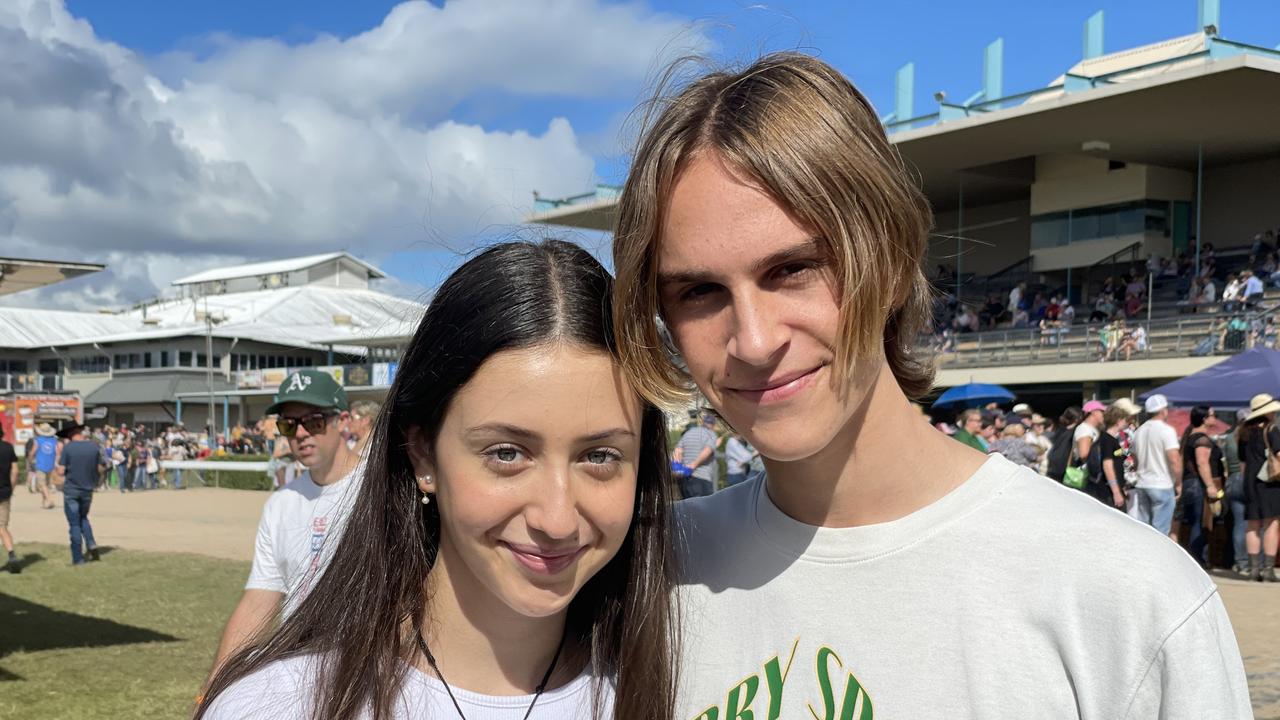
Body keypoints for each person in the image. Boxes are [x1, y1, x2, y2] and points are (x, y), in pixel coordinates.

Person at [611, 52, 1249, 717]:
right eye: (699, 291)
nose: (754, 339)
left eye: (794, 269)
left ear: (890, 262)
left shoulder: (1127, 594)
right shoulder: (648, 575)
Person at [198, 241, 677, 720]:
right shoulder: (277, 705)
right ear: (423, 453)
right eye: (507, 453)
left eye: (599, 456)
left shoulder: (681, 692)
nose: (556, 519)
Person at [210, 369, 362, 675]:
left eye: (314, 421)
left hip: (368, 671)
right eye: (288, 425)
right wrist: (213, 686)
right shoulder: (280, 504)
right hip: (299, 672)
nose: (301, 433)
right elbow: (258, 602)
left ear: (342, 422)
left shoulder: (381, 489)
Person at [1238, 393, 1280, 582]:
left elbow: (1242, 459)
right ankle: (1268, 569)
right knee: (1272, 524)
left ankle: (1254, 569)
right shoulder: (1271, 429)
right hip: (1269, 482)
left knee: (1252, 525)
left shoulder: (1244, 432)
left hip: (1249, 482)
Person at [1180, 406, 1226, 568]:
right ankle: (1197, 560)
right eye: (1214, 415)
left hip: (1189, 484)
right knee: (1201, 523)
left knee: (1195, 522)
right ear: (1204, 419)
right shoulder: (1201, 439)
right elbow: (1202, 463)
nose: (1215, 418)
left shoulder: (1190, 436)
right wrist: (1210, 486)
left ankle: (1196, 559)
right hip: (1198, 484)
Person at [1131, 394, 1183, 536]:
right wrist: (1178, 483)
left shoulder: (1138, 432)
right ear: (1163, 410)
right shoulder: (1166, 430)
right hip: (1162, 483)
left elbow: (1135, 461)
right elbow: (1174, 460)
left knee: (1145, 530)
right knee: (1160, 532)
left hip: (1142, 483)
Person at [54, 424, 102, 565]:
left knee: (74, 523)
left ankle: (78, 557)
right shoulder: (94, 446)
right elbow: (99, 467)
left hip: (72, 489)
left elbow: (61, 471)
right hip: (88, 488)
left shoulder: (68, 448)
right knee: (83, 517)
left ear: (71, 434)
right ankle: (91, 543)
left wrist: (57, 465)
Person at [671, 410, 718, 498]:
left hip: (685, 479)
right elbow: (707, 451)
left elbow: (677, 451)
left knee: (687, 509)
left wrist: (678, 468)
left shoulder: (688, 433)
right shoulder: (711, 434)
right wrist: (693, 465)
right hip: (702, 478)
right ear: (713, 424)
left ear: (702, 422)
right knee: (704, 510)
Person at [1093, 405, 1130, 510]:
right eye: (1124, 419)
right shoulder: (1108, 440)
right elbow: (1107, 465)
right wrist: (1116, 492)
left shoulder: (1109, 439)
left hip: (1112, 489)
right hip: (1108, 491)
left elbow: (1115, 457)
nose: (1125, 422)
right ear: (1118, 420)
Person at [0, 426, 19, 573]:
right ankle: (12, 555)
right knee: (2, 527)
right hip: (4, 492)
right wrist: (11, 488)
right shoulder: (8, 448)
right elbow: (15, 471)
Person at [30, 423, 59, 509]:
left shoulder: (38, 440)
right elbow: (57, 453)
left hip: (40, 464)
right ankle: (44, 502)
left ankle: (49, 500)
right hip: (50, 464)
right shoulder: (54, 440)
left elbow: (33, 451)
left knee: (42, 485)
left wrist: (30, 458)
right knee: (46, 484)